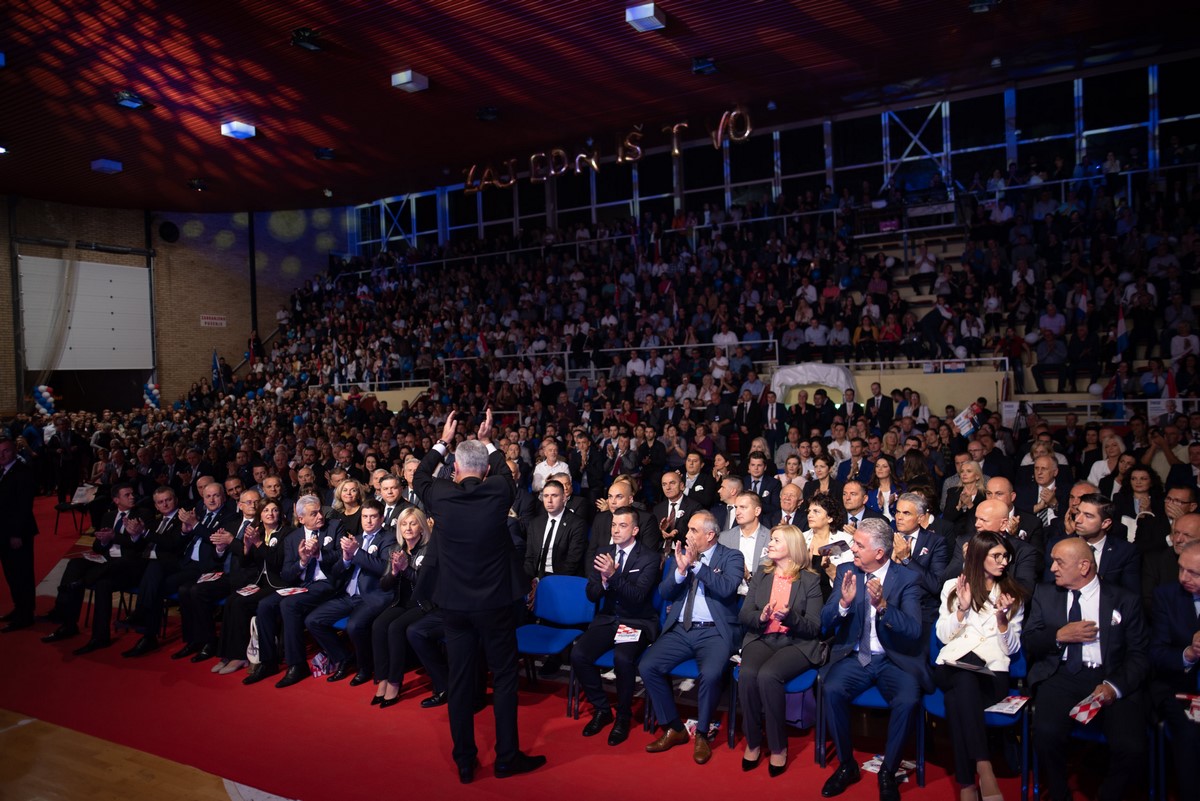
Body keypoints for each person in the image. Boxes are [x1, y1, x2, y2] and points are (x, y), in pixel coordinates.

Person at [412, 410, 545, 784]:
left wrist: (443, 441)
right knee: (503, 678)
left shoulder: (440, 494)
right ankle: (506, 758)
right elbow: (507, 472)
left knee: (459, 681)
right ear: (485, 470)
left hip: (454, 607)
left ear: (454, 468)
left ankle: (465, 762)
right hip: (495, 605)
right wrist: (488, 440)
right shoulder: (498, 490)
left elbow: (420, 476)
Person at [1024, 537, 1149, 801]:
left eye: (1059, 562)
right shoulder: (1045, 593)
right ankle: (1059, 794)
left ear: (1083, 566)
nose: (1052, 568)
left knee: (1132, 747)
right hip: (1061, 675)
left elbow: (1139, 654)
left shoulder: (1124, 600)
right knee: (1045, 735)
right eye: (1052, 561)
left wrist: (1114, 687)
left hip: (1110, 678)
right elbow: (1030, 641)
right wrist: (1059, 635)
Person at [819, 517, 931, 801]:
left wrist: (882, 606)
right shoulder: (846, 570)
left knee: (908, 699)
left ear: (880, 552)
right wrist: (843, 604)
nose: (852, 549)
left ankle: (888, 771)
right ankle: (847, 765)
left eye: (859, 545)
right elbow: (825, 621)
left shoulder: (907, 579)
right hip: (855, 656)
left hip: (894, 659)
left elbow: (913, 629)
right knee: (831, 689)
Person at [640, 511, 744, 765]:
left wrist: (696, 565)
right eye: (688, 529)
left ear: (710, 535)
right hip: (681, 629)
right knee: (648, 666)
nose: (687, 535)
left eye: (693, 530)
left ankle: (702, 733)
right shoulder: (681, 556)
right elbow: (664, 592)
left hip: (714, 632)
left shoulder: (732, 556)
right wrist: (680, 570)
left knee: (710, 674)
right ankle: (674, 727)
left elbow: (726, 588)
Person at [934, 531, 1027, 801]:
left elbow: (1011, 649)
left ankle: (967, 784)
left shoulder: (1012, 594)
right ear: (978, 556)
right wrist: (961, 610)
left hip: (991, 673)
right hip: (952, 664)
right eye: (996, 556)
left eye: (1005, 556)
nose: (1003, 562)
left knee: (956, 699)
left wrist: (1002, 621)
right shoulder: (953, 586)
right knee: (963, 679)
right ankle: (985, 768)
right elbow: (943, 636)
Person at [738, 524, 824, 777]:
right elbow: (744, 614)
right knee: (747, 675)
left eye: (776, 540)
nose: (770, 543)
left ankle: (778, 746)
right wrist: (761, 617)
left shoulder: (810, 580)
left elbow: (814, 627)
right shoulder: (762, 575)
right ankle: (753, 741)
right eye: (771, 539)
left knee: (768, 675)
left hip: (796, 643)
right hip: (762, 637)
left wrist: (791, 617)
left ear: (792, 546)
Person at [570, 506, 660, 746]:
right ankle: (602, 709)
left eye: (622, 525)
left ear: (635, 530)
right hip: (608, 619)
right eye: (613, 525)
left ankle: (623, 715)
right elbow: (591, 594)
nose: (616, 530)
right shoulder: (604, 552)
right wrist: (602, 582)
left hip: (636, 621)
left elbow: (638, 597)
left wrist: (613, 576)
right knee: (578, 654)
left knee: (622, 659)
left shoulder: (649, 557)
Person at [305, 498, 393, 685]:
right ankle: (344, 657)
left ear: (382, 518)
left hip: (371, 596)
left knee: (354, 626)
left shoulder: (389, 538)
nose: (368, 521)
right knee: (313, 620)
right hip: (348, 596)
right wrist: (345, 558)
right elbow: (337, 571)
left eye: (373, 517)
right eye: (365, 517)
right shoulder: (357, 539)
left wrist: (357, 553)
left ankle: (365, 668)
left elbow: (385, 569)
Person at [1148, 540, 1200, 801]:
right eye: (1181, 569)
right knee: (1192, 734)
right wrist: (1188, 654)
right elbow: (1156, 653)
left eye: (1193, 573)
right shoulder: (1167, 596)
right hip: (1181, 689)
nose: (1183, 578)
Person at [213, 497, 287, 676]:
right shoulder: (258, 531)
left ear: (280, 513)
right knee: (232, 599)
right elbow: (246, 563)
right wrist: (246, 547)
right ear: (260, 515)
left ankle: (240, 656)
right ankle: (227, 653)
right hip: (259, 581)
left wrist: (258, 543)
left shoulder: (286, 533)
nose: (270, 514)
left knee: (241, 604)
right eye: (266, 510)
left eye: (274, 510)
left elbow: (277, 562)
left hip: (278, 584)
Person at [370, 506, 434, 707]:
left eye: (413, 523)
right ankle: (382, 678)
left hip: (423, 604)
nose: (408, 528)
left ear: (421, 527)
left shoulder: (430, 549)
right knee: (378, 625)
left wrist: (405, 569)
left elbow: (426, 586)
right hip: (401, 602)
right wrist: (394, 572)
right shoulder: (395, 549)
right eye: (404, 524)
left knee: (395, 628)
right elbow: (384, 584)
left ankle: (394, 681)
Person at [0, 436, 38, 632]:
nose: (1, 456)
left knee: (22, 573)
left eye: (5, 451)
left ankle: (25, 614)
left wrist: (16, 534)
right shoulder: (2, 471)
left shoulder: (22, 472)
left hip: (18, 533)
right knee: (11, 573)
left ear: (14, 450)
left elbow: (24, 507)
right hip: (3, 532)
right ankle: (19, 608)